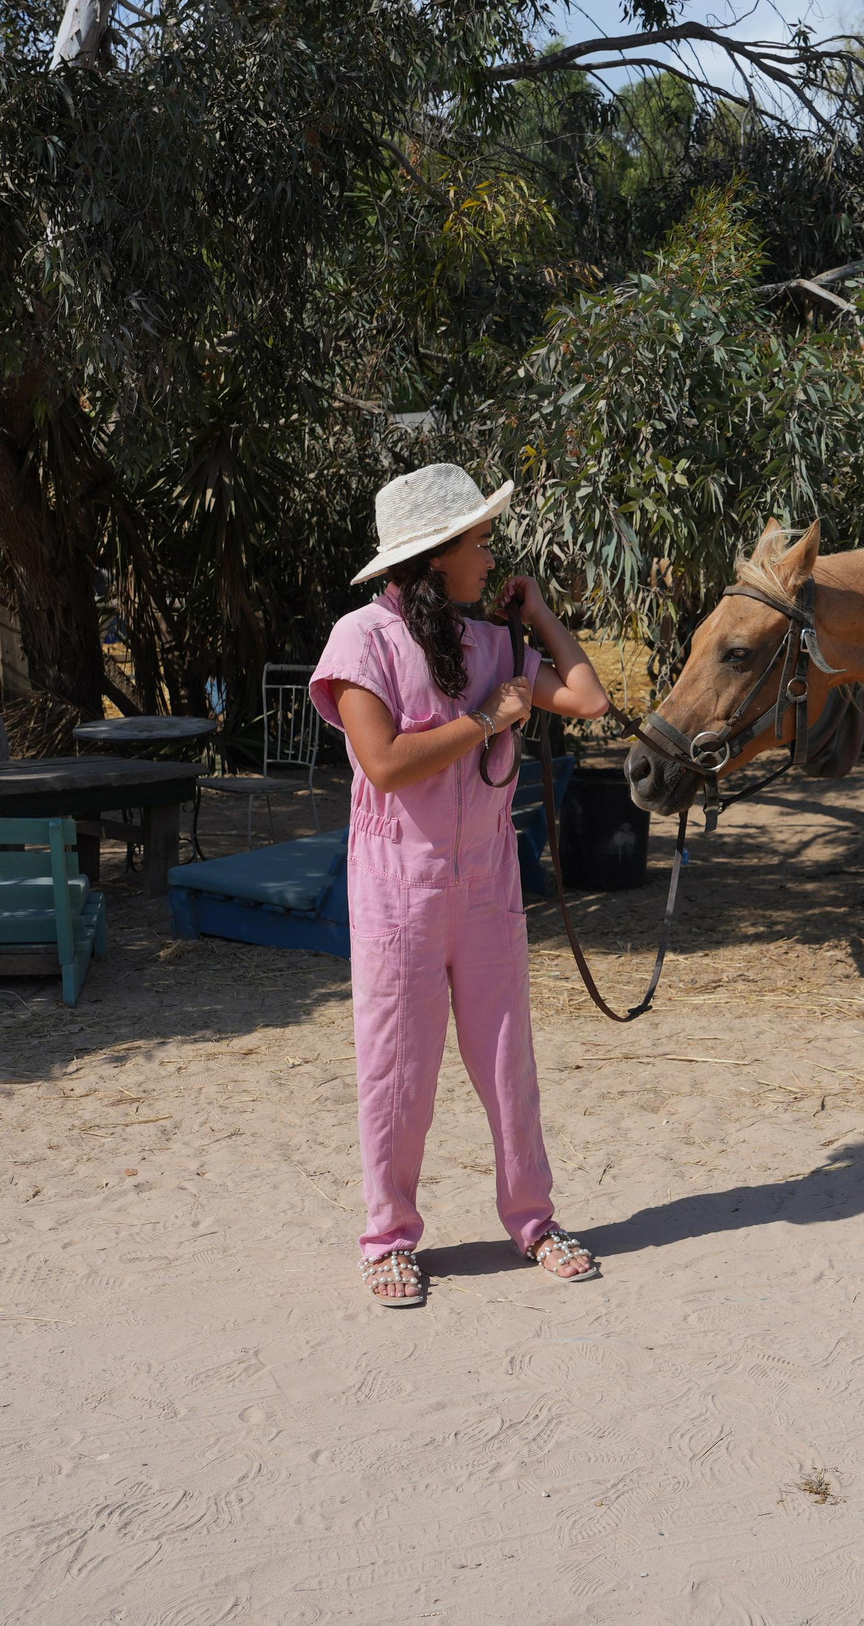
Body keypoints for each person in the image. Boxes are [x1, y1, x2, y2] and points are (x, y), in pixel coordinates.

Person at [308, 464, 613, 1308]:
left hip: (486, 883)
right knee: (396, 1070)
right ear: (437, 556)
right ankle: (389, 1238)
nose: (490, 554)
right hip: (397, 893)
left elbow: (588, 698)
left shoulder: (493, 644)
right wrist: (486, 718)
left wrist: (538, 612)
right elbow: (384, 763)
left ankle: (534, 1221)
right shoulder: (362, 640)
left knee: (508, 1062)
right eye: (479, 541)